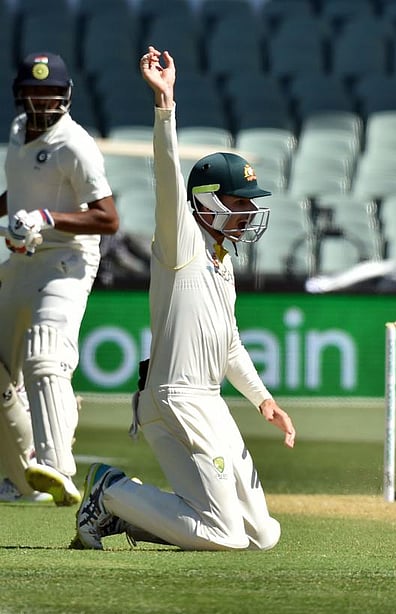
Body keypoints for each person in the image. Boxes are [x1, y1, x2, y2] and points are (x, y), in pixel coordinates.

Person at [70, 46, 296, 551]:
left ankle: (122, 512)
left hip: (208, 399)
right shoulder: (181, 243)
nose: (246, 214)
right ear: (208, 201)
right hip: (174, 398)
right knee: (225, 535)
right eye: (238, 203)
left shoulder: (222, 262)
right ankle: (110, 491)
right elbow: (169, 174)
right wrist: (165, 104)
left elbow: (230, 345)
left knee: (263, 535)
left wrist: (263, 401)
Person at [0, 52, 120, 505]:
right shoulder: (16, 132)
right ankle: (19, 478)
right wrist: (16, 215)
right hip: (22, 259)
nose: (41, 103)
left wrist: (47, 218)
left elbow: (108, 219)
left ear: (66, 97)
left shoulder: (75, 144)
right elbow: (22, 192)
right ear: (19, 95)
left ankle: (57, 466)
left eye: (50, 95)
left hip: (66, 261)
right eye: (33, 93)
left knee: (45, 356)